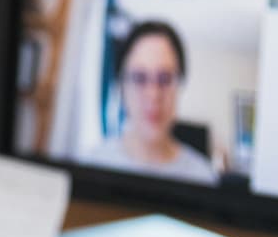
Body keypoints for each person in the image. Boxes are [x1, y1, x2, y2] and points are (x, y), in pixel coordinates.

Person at [83, 20, 217, 184]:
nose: (153, 94)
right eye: (140, 78)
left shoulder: (203, 176)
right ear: (122, 86)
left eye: (165, 79)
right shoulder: (93, 164)